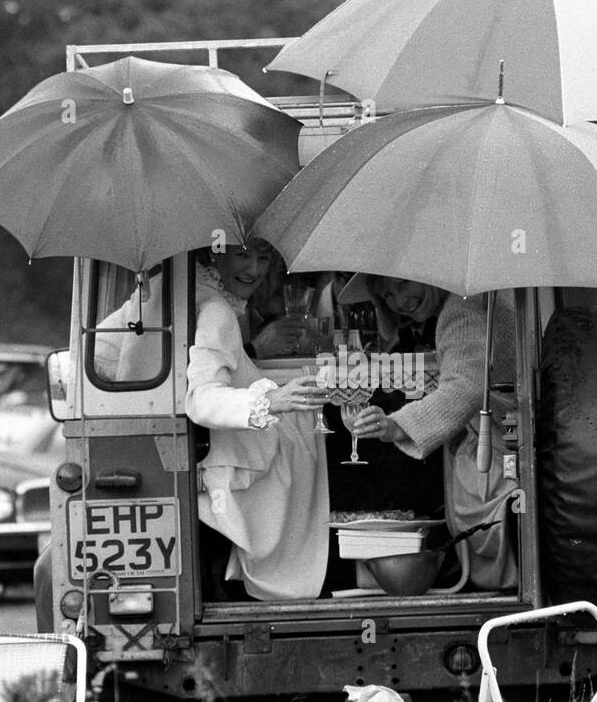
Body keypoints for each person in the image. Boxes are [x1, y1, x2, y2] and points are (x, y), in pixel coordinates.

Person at [350, 276, 518, 591]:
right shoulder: (476, 295)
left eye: (402, 285)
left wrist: (397, 426)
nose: (398, 302)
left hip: (498, 451)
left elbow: (466, 386)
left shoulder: (460, 310)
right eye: (387, 294)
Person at [185, 239, 330, 601]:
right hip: (212, 460)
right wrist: (272, 400)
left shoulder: (179, 293)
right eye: (241, 256)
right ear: (211, 255)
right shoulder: (216, 310)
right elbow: (200, 398)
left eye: (262, 258)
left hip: (202, 455)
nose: (253, 270)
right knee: (301, 440)